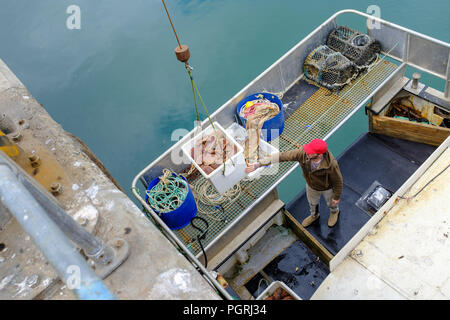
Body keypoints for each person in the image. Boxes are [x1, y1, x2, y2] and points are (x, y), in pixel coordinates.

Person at [245, 139, 343, 228]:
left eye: (310, 152)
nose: (307, 153)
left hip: (327, 187)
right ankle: (314, 215)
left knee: (331, 202)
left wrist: (336, 197)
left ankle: (334, 212)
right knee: (312, 203)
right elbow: (282, 156)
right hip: (311, 185)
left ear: (319, 155)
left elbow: (338, 181)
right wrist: (259, 164)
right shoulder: (303, 153)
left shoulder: (331, 164)